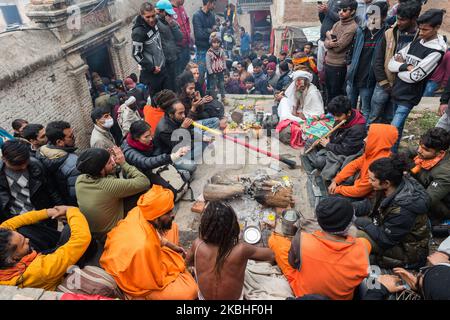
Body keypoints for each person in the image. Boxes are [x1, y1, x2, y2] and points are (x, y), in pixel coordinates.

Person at [100, 185, 198, 300]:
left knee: (173, 228)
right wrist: (178, 265)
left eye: (171, 210)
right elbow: (155, 279)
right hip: (134, 278)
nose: (173, 215)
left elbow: (157, 237)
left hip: (134, 255)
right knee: (191, 291)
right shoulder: (145, 244)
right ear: (156, 218)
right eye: (168, 213)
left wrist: (171, 246)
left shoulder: (140, 211)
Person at [269, 196, 371, 300]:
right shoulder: (364, 246)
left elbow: (292, 264)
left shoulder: (303, 239)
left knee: (275, 240)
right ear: (350, 223)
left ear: (319, 222)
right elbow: (371, 278)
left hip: (304, 293)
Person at [353, 154, 431, 269]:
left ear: (386, 183)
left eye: (372, 179)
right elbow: (371, 204)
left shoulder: (404, 209)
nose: (369, 181)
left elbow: (386, 240)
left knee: (354, 234)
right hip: (390, 232)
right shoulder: (390, 186)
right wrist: (349, 208)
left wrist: (361, 222)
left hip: (408, 251)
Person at [187, 201, 274, 300]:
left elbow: (188, 262)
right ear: (231, 228)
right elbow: (271, 255)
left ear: (205, 226)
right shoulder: (241, 249)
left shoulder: (197, 244)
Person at [388, 9, 447, 152]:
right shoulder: (418, 40)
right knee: (397, 128)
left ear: (436, 28)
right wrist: (405, 66)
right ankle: (393, 154)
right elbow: (391, 64)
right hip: (397, 90)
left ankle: (387, 156)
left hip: (409, 95)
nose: (420, 32)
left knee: (392, 129)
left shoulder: (437, 51)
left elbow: (414, 77)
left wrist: (400, 69)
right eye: (420, 28)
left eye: (425, 29)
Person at [0, 206, 91, 290]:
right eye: (23, 243)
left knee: (23, 229)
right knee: (70, 230)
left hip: (40, 266)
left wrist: (50, 212)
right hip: (55, 275)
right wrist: (72, 210)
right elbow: (81, 239)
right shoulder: (40, 270)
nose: (27, 240)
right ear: (13, 259)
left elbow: (9, 224)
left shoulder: (4, 251)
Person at [75, 147, 150, 242]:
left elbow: (108, 179)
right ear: (101, 170)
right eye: (109, 162)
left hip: (94, 231)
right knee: (144, 192)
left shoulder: (80, 179)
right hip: (111, 233)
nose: (114, 163)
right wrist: (123, 163)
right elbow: (144, 181)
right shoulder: (108, 185)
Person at [0, 140, 63, 251]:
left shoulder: (36, 166)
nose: (23, 166)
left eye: (26, 161)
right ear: (4, 159)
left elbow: (51, 190)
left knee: (54, 243)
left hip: (44, 216)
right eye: (18, 164)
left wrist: (61, 209)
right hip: (18, 221)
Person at [371, 1, 421, 125]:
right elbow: (378, 60)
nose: (398, 22)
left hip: (403, 88)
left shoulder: (421, 38)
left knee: (391, 120)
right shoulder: (389, 33)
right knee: (374, 117)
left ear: (414, 19)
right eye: (397, 19)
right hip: (383, 84)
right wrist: (384, 83)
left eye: (403, 20)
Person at [305, 95, 367, 181]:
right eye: (334, 115)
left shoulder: (357, 129)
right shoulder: (341, 117)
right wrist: (328, 138)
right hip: (334, 145)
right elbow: (334, 134)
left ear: (348, 113)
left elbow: (346, 151)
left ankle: (319, 164)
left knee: (319, 161)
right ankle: (318, 161)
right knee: (310, 141)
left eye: (338, 116)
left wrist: (327, 145)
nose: (335, 118)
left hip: (344, 153)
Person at [329, 123, 398, 199]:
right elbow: (354, 164)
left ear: (378, 140)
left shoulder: (380, 166)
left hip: (366, 197)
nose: (364, 139)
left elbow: (358, 191)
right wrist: (337, 180)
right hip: (359, 186)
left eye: (369, 137)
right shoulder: (373, 152)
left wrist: (337, 189)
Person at [347, 1, 388, 122]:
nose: (371, 20)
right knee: (349, 108)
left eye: (375, 18)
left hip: (369, 79)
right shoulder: (361, 30)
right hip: (353, 77)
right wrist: (349, 65)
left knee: (365, 109)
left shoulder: (386, 34)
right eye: (369, 17)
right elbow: (352, 49)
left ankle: (361, 135)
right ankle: (349, 131)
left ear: (384, 17)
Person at [122, 120, 188, 188]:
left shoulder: (147, 139)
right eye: (146, 137)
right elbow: (145, 162)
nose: (150, 138)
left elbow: (157, 147)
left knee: (188, 171)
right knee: (182, 178)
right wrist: (171, 157)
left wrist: (159, 160)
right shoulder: (128, 151)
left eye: (150, 134)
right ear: (136, 138)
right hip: (144, 175)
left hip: (157, 165)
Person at [411, 128, 450, 223]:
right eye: (420, 145)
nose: (419, 150)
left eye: (425, 149)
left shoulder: (444, 173)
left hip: (442, 206)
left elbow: (426, 200)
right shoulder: (428, 149)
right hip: (426, 188)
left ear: (440, 153)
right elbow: (408, 151)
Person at [37, 121, 80, 206]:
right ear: (59, 142)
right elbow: (77, 194)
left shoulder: (42, 152)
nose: (74, 137)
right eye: (71, 136)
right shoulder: (73, 163)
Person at [132, 2, 169, 98]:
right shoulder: (138, 32)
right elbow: (136, 54)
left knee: (168, 98)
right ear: (141, 15)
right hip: (152, 75)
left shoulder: (156, 21)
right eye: (147, 17)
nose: (151, 19)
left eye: (153, 16)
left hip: (163, 68)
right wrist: (151, 68)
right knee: (158, 101)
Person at [324, 0, 358, 102]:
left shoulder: (352, 27)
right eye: (339, 10)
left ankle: (336, 114)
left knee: (336, 93)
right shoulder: (337, 24)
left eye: (344, 10)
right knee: (328, 91)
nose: (340, 12)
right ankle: (330, 113)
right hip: (328, 62)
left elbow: (338, 47)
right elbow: (326, 43)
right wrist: (330, 41)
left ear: (352, 12)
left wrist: (328, 35)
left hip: (338, 65)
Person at [156, 0, 183, 91]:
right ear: (161, 11)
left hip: (173, 58)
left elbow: (180, 37)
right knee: (168, 84)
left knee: (175, 82)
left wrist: (172, 25)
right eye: (167, 13)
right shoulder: (155, 23)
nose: (169, 16)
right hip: (163, 61)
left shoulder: (172, 22)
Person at [193, 0, 217, 81]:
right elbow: (199, 35)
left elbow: (215, 33)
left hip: (211, 50)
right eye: (213, 3)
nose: (214, 6)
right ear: (208, 3)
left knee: (212, 77)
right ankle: (200, 93)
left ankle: (210, 93)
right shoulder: (197, 16)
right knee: (200, 76)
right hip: (201, 51)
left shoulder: (212, 15)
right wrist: (210, 31)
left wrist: (207, 30)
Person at [317, 0, 340, 73]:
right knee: (320, 68)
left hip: (331, 40)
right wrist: (321, 12)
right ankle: (320, 81)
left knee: (329, 67)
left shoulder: (345, 2)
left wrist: (328, 10)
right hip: (322, 39)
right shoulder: (330, 1)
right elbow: (323, 20)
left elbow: (340, 19)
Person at [171, 0, 191, 75]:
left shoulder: (182, 8)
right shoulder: (169, 10)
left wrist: (188, 35)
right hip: (178, 49)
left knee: (187, 71)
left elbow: (187, 23)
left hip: (186, 46)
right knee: (179, 73)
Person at [206, 37, 227, 102]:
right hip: (213, 72)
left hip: (220, 70)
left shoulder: (221, 51)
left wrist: (224, 67)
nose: (216, 44)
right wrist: (210, 72)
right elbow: (208, 63)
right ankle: (213, 98)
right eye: (214, 42)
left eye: (218, 42)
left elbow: (223, 60)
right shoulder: (209, 52)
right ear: (211, 43)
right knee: (213, 85)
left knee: (222, 84)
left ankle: (223, 97)